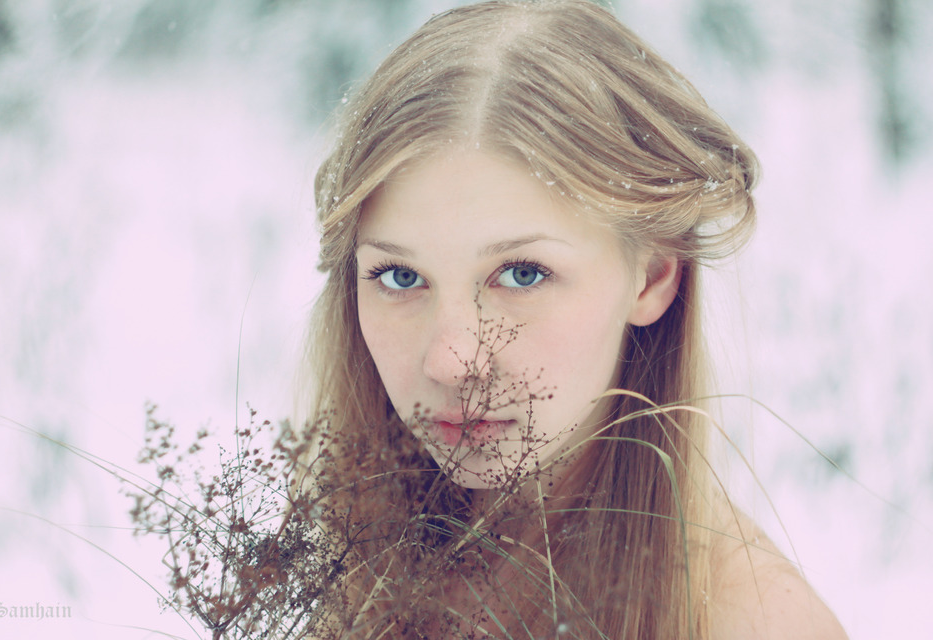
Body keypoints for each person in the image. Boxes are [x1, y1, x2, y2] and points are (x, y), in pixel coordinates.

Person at [302, 1, 849, 638]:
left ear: (651, 276)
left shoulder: (746, 622)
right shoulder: (347, 574)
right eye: (400, 277)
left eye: (522, 274)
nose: (449, 360)